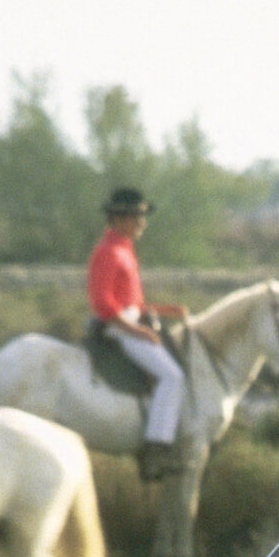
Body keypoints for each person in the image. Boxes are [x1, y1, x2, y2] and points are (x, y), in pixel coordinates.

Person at [85, 187, 188, 482]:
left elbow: (132, 301)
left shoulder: (124, 248)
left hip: (127, 318)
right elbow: (104, 304)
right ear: (119, 218)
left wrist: (164, 309)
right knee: (172, 376)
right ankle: (155, 453)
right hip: (116, 326)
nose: (143, 223)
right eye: (138, 217)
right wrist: (137, 331)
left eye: (142, 216)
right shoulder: (108, 251)